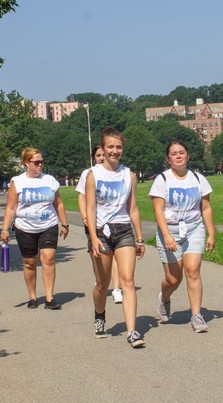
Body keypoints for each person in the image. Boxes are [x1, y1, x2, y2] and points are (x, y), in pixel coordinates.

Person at [85, 128, 146, 348]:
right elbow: (91, 209)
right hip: (101, 232)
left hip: (123, 230)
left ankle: (132, 331)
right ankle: (99, 314)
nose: (114, 151)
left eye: (118, 147)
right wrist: (93, 237)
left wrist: (139, 238)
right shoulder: (93, 175)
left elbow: (133, 208)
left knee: (127, 280)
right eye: (110, 147)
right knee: (102, 284)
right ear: (103, 148)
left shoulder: (129, 176)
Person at [149, 141, 216, 333]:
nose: (178, 156)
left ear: (187, 155)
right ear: (168, 159)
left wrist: (211, 233)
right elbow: (158, 210)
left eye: (181, 152)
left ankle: (196, 315)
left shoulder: (198, 179)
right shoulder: (162, 180)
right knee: (173, 279)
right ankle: (164, 297)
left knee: (192, 270)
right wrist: (166, 235)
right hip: (169, 230)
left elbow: (206, 207)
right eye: (174, 154)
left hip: (194, 228)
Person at [1, 148, 69, 310]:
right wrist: (4, 229)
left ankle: (50, 298)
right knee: (29, 262)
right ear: (26, 163)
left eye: (41, 161)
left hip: (48, 225)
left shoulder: (50, 180)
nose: (40, 165)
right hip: (24, 227)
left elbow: (58, 203)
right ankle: (32, 296)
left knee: (48, 259)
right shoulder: (17, 182)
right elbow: (11, 207)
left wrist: (64, 224)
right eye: (36, 162)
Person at [76, 145, 124, 304]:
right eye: (98, 155)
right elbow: (82, 197)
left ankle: (116, 288)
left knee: (114, 254)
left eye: (104, 155)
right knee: (97, 254)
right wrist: (84, 214)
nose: (102, 158)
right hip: (93, 221)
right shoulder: (88, 174)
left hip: (113, 221)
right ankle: (101, 281)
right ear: (94, 158)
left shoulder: (117, 172)